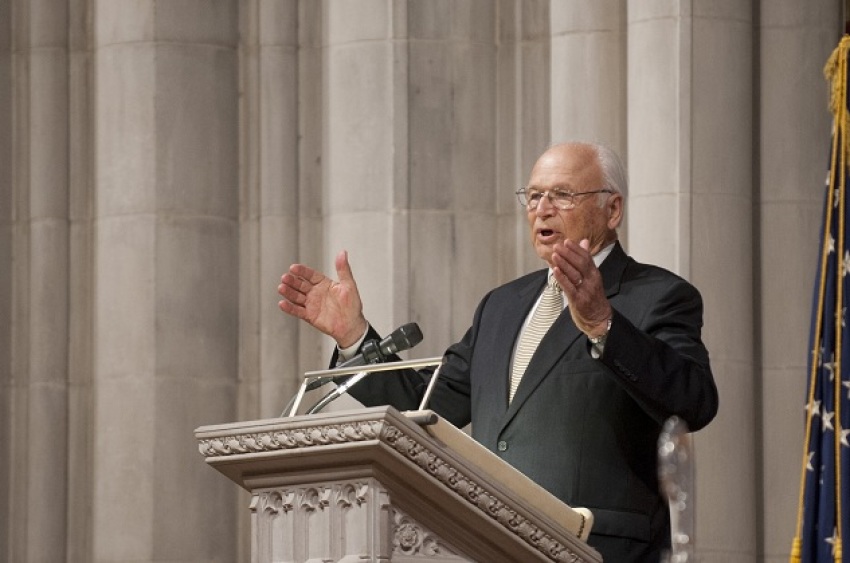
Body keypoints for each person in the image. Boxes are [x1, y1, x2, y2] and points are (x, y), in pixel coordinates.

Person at [278, 141, 718, 562]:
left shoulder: (658, 295)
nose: (542, 209)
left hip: (597, 549)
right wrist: (354, 334)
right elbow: (427, 406)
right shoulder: (502, 306)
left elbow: (694, 400)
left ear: (612, 209)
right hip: (488, 543)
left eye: (562, 195)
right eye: (534, 196)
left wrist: (603, 323)